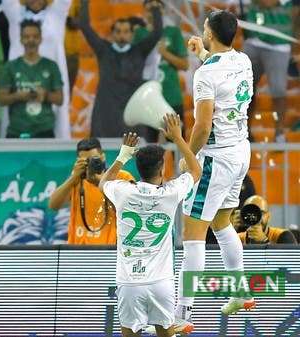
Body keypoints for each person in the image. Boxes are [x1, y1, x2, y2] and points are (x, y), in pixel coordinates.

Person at [175, 10, 256, 332]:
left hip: (215, 158)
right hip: (240, 152)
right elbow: (222, 72)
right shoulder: (244, 60)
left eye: (204, 29)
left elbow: (203, 124)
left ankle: (182, 316)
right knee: (222, 222)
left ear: (209, 33)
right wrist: (203, 54)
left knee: (192, 237)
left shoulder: (205, 75)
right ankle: (241, 290)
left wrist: (188, 157)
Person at [98, 115, 201, 337]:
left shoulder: (123, 192)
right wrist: (178, 138)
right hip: (161, 283)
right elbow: (195, 171)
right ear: (162, 169)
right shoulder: (171, 193)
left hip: (129, 283)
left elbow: (103, 182)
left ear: (138, 168)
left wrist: (122, 155)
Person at [79, 0, 163, 139]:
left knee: (134, 156)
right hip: (105, 113)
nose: (121, 35)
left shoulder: (139, 51)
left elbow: (157, 33)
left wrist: (155, 9)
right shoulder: (103, 50)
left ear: (131, 34)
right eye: (118, 31)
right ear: (112, 34)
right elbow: (85, 26)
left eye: (125, 31)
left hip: (133, 112)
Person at [1, 0, 71, 139]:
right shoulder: (15, 14)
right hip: (19, 81)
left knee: (59, 121)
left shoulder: (57, 13)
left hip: (52, 80)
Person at [48, 138, 134, 245]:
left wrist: (99, 182)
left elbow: (131, 209)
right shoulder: (76, 179)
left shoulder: (121, 176)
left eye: (94, 159)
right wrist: (73, 178)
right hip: (77, 250)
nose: (90, 164)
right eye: (86, 161)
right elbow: (53, 205)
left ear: (103, 156)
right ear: (78, 160)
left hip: (109, 249)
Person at [133, 0, 189, 141]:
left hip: (171, 96)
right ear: (144, 11)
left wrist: (164, 54)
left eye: (157, 8)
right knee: (149, 145)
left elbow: (185, 65)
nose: (153, 11)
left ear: (163, 11)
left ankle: (179, 164)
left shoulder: (173, 32)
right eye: (149, 8)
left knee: (177, 143)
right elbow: (133, 63)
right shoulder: (139, 33)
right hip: (147, 100)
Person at [243, 0, 294, 142]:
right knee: (244, 89)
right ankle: (245, 131)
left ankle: (279, 134)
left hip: (278, 44)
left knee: (278, 92)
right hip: (253, 41)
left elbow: (268, 2)